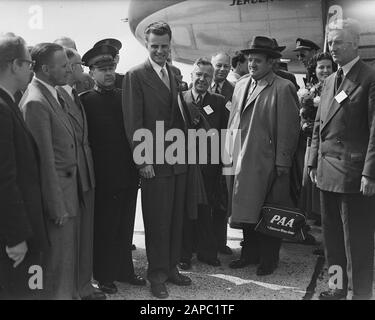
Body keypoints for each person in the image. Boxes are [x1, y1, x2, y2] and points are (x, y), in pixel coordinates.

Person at [123, 21, 191, 299]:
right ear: (146, 45)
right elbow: (133, 122)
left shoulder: (174, 73)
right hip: (153, 161)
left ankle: (171, 266)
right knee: (157, 221)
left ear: (170, 44)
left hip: (176, 159)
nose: (160, 51)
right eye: (155, 46)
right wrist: (143, 161)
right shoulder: (135, 75)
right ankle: (157, 274)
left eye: (164, 46)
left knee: (175, 218)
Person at [308, 18, 375, 300]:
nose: (332, 48)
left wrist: (370, 173)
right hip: (326, 172)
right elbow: (318, 125)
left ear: (354, 44)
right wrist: (312, 161)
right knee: (333, 241)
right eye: (330, 42)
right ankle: (336, 288)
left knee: (356, 242)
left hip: (353, 173)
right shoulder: (329, 81)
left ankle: (360, 294)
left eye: (338, 42)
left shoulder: (369, 78)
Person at [227, 36, 300, 276]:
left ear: (271, 62)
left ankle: (269, 260)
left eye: (257, 60)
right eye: (250, 60)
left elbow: (289, 129)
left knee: (269, 210)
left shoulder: (283, 87)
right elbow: (232, 121)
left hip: (268, 162)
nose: (252, 64)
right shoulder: (240, 85)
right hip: (242, 158)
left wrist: (283, 163)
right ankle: (249, 254)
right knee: (247, 210)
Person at [80, 44, 146, 295]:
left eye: (111, 68)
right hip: (104, 177)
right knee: (106, 227)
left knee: (125, 225)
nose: (108, 73)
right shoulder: (85, 102)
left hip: (128, 174)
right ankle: (105, 275)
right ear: (92, 72)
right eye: (102, 69)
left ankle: (125, 271)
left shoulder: (124, 97)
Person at [20, 43, 80, 299]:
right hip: (57, 203)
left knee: (63, 266)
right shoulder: (36, 102)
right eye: (64, 65)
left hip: (66, 195)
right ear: (45, 69)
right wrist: (57, 207)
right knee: (55, 270)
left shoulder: (52, 93)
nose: (69, 70)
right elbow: (43, 161)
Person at [0, 34, 49, 300]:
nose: (31, 69)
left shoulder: (9, 103)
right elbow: (4, 179)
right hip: (14, 239)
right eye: (29, 63)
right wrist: (16, 236)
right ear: (14, 65)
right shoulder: (2, 108)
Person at [56, 48, 105, 300]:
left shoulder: (75, 95)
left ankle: (84, 284)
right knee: (72, 239)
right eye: (77, 65)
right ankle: (76, 288)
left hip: (86, 172)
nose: (82, 70)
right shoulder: (56, 98)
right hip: (71, 176)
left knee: (85, 235)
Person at [179, 58, 229, 270]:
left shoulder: (219, 101)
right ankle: (184, 253)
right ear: (191, 76)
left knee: (207, 210)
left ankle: (207, 253)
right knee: (185, 210)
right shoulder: (180, 99)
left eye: (207, 76)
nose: (202, 79)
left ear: (211, 78)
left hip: (209, 167)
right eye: (198, 74)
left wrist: (224, 166)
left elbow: (226, 135)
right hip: (185, 165)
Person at [299, 52, 335, 230]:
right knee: (310, 184)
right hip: (312, 143)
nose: (325, 70)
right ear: (315, 69)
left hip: (330, 145)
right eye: (321, 67)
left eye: (329, 66)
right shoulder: (310, 91)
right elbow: (303, 119)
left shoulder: (338, 87)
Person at [210, 52, 234, 255]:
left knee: (222, 197)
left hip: (226, 148)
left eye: (226, 66)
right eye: (219, 65)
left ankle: (219, 241)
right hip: (202, 148)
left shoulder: (233, 91)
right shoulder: (199, 85)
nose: (223, 69)